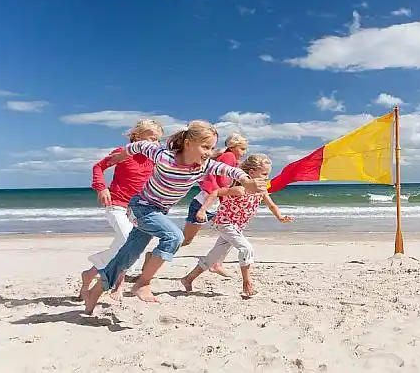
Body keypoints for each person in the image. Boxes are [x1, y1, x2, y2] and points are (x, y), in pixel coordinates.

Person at [82, 120, 266, 314]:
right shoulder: (163, 157)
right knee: (174, 237)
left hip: (158, 212)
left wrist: (248, 182)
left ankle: (95, 291)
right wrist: (121, 156)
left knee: (127, 257)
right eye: (205, 147)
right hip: (141, 207)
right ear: (188, 144)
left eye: (211, 148)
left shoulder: (204, 166)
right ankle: (142, 283)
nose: (209, 152)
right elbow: (139, 146)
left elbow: (231, 170)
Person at [180, 154, 293, 298]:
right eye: (264, 174)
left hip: (237, 227)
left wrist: (281, 217)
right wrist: (202, 210)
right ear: (251, 173)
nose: (266, 177)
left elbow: (271, 205)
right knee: (246, 248)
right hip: (225, 223)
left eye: (268, 174)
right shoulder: (239, 189)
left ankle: (188, 279)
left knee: (214, 256)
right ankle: (247, 284)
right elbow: (215, 192)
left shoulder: (262, 190)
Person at [79, 119, 164, 300]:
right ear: (137, 136)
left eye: (158, 140)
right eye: (151, 138)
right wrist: (101, 187)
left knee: (126, 244)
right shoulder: (122, 153)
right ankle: (101, 275)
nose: (155, 143)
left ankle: (94, 275)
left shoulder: (154, 159)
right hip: (116, 205)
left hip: (138, 209)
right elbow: (99, 167)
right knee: (126, 240)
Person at [181, 133, 248, 277]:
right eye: (242, 148)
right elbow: (223, 183)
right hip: (203, 205)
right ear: (233, 147)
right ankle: (156, 254)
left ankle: (217, 264)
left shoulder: (230, 158)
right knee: (186, 240)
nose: (244, 152)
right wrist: (233, 191)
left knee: (231, 233)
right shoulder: (229, 157)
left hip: (213, 205)